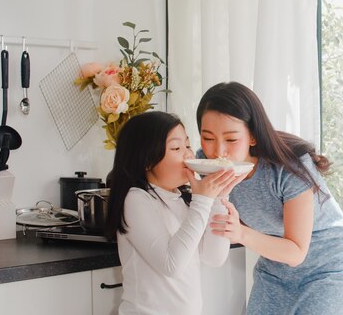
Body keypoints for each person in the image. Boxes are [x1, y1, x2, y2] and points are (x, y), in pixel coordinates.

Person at [196, 82, 343, 315]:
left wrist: (240, 232)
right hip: (276, 264)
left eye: (231, 140)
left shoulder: (289, 167)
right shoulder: (204, 164)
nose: (218, 151)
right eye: (208, 138)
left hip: (328, 266)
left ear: (253, 136)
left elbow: (296, 251)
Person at [104, 111, 244, 315]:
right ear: (147, 160)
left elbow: (214, 257)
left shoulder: (181, 199)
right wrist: (203, 200)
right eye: (177, 148)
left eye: (187, 145)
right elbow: (171, 265)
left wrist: (218, 199)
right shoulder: (136, 199)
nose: (189, 154)